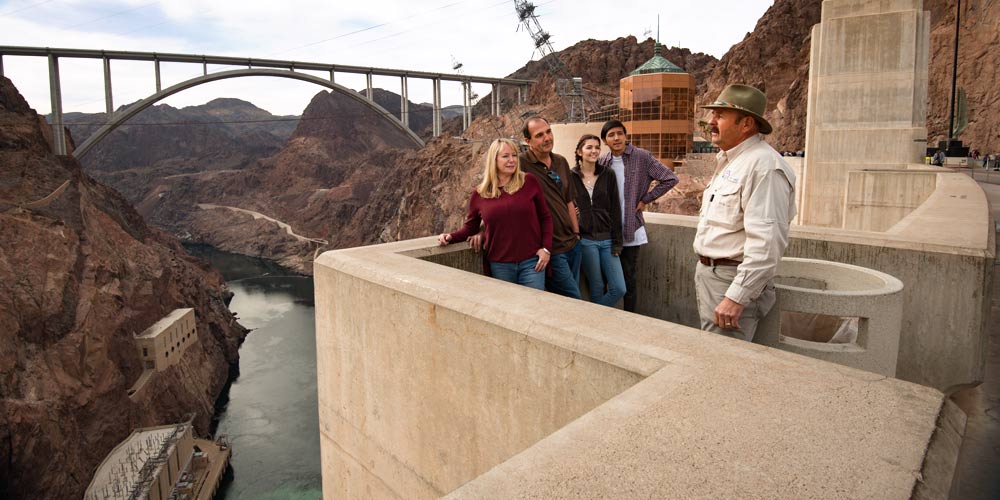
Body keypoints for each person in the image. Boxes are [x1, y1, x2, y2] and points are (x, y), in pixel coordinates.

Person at [694, 84, 797, 341]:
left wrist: (736, 297)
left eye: (720, 115)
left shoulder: (765, 167)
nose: (711, 121)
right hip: (713, 277)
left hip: (731, 282)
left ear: (747, 124)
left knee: (725, 366)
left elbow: (767, 242)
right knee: (716, 356)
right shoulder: (732, 161)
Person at [438, 138, 552, 289]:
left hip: (532, 263)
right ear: (494, 160)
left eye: (514, 155)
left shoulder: (529, 182)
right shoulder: (480, 193)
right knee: (505, 310)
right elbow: (470, 228)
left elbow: (545, 218)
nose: (512, 160)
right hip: (500, 265)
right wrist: (450, 237)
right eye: (505, 156)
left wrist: (546, 249)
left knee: (532, 310)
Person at [598, 119, 679, 312]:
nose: (616, 138)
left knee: (629, 277)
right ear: (605, 141)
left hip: (631, 229)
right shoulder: (602, 161)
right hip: (607, 231)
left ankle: (629, 318)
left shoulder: (641, 157)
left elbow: (670, 178)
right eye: (611, 135)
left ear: (626, 136)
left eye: (620, 133)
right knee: (604, 277)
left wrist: (646, 199)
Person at [519, 116, 583, 299]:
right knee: (574, 299)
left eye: (548, 131)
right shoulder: (521, 165)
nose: (547, 138)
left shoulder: (561, 161)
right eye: (539, 135)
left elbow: (569, 200)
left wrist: (577, 235)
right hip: (551, 249)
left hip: (573, 244)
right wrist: (482, 228)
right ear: (528, 141)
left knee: (564, 301)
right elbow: (498, 195)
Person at [570, 134, 626, 307]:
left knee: (618, 288)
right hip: (586, 241)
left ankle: (592, 317)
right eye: (589, 147)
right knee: (597, 286)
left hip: (608, 239)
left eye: (597, 147)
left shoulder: (607, 174)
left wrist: (617, 242)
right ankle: (597, 327)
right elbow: (564, 203)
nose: (594, 151)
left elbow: (616, 208)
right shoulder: (571, 176)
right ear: (580, 151)